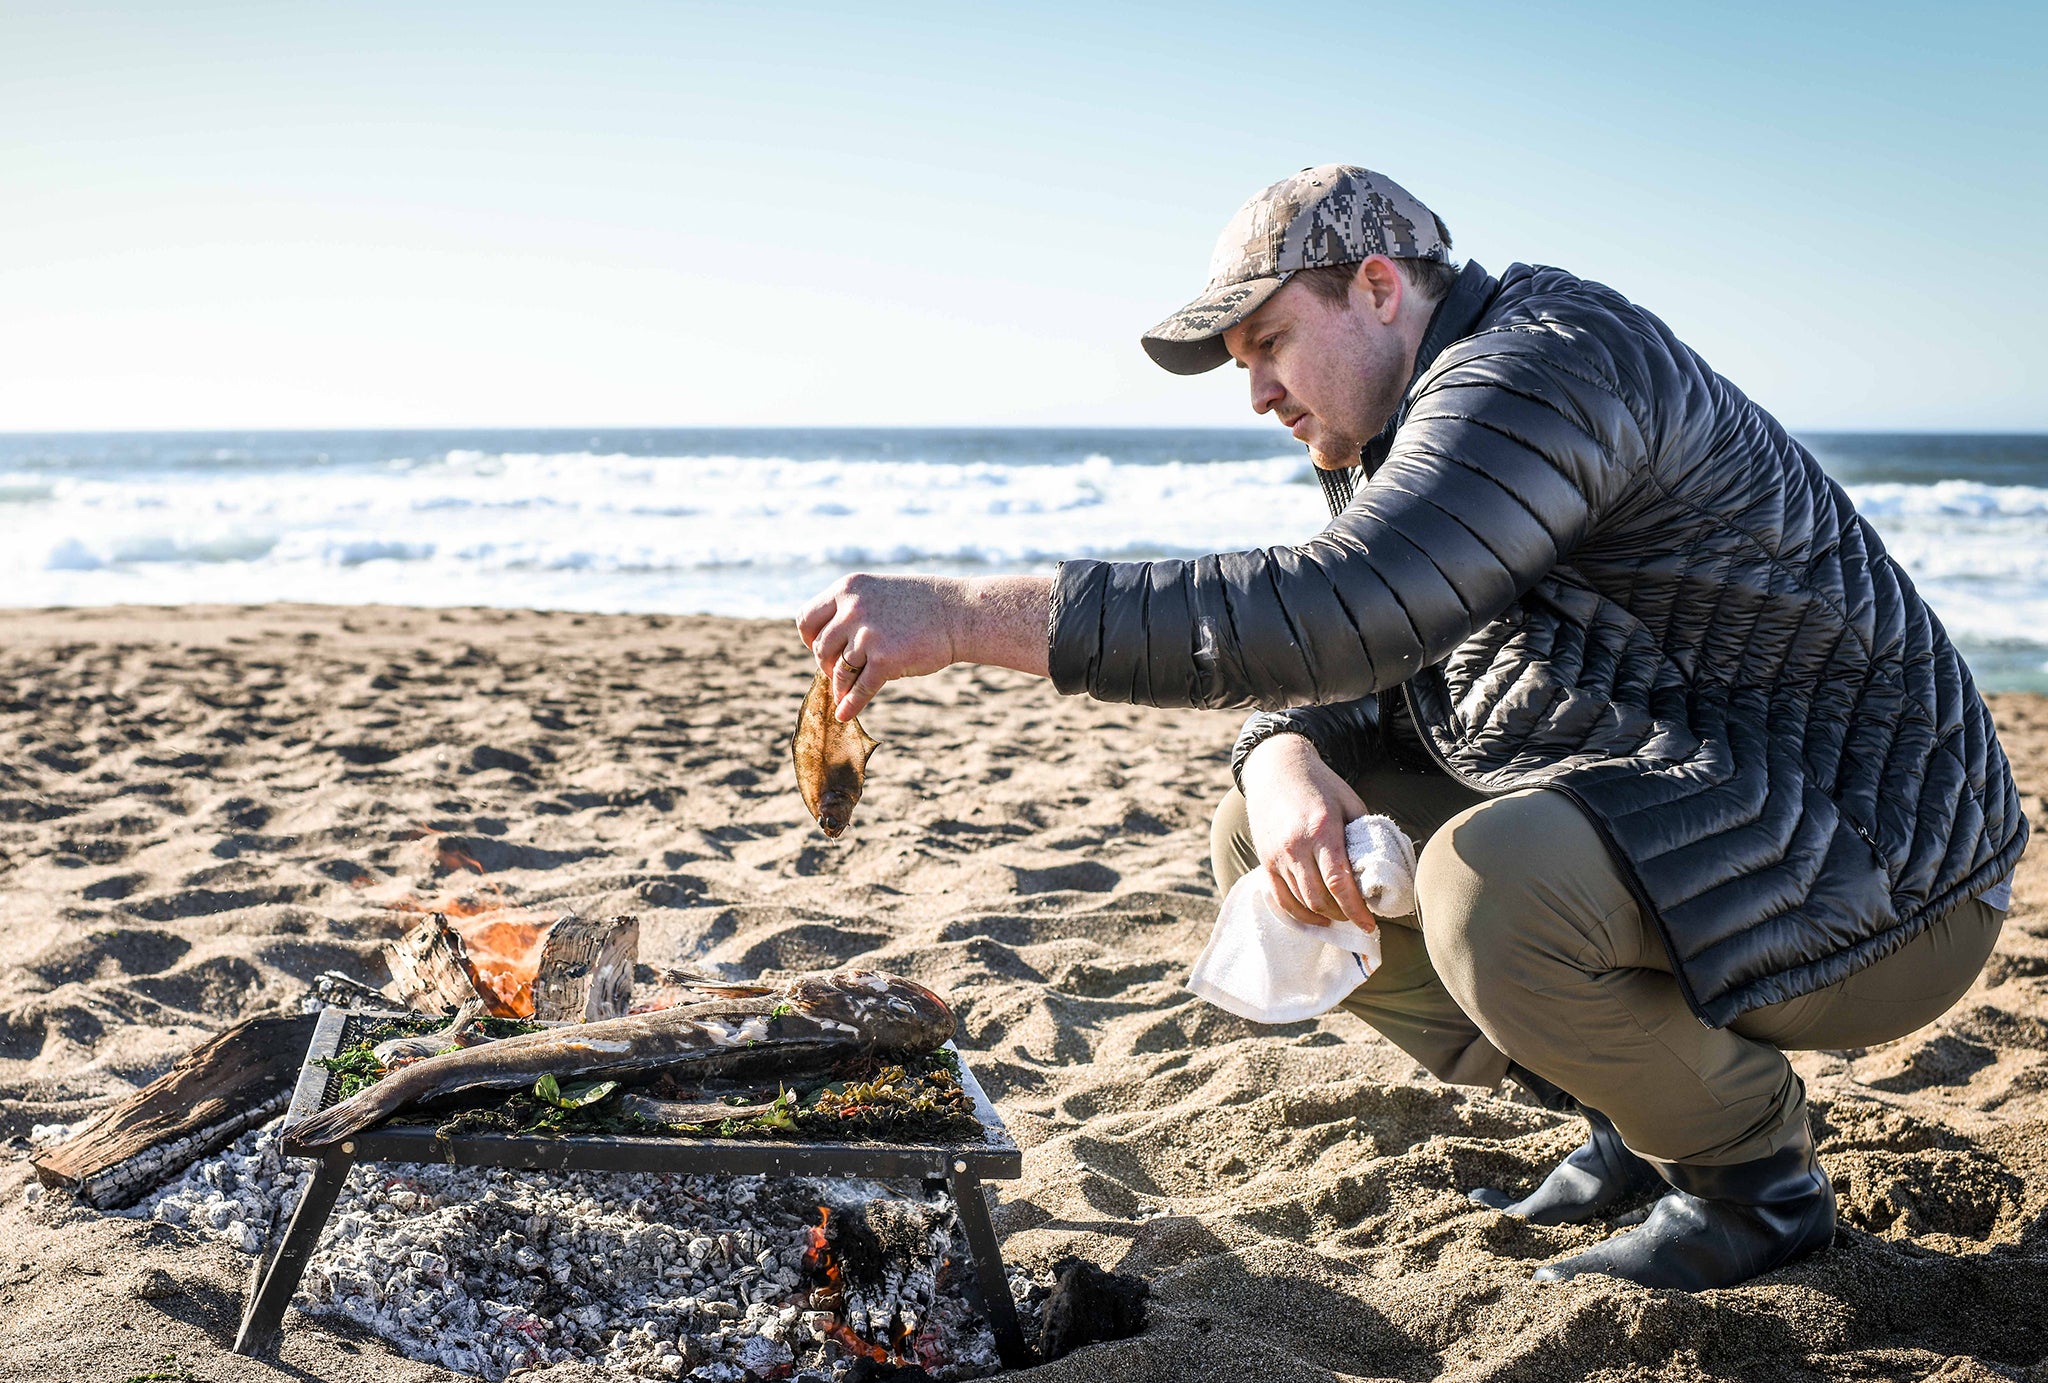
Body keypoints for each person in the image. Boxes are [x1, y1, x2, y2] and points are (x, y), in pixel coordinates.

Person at [797, 164, 2027, 1292]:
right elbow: (1382, 644)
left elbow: (1340, 605)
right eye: (1240, 363)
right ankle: (1637, 1117)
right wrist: (1277, 754)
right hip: (1703, 807)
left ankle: (1755, 1190)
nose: (1258, 392)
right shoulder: (1407, 418)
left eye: (1269, 343)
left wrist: (962, 615)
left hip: (1885, 870)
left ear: (1377, 289)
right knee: (1263, 843)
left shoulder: (1544, 370)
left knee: (1490, 887)